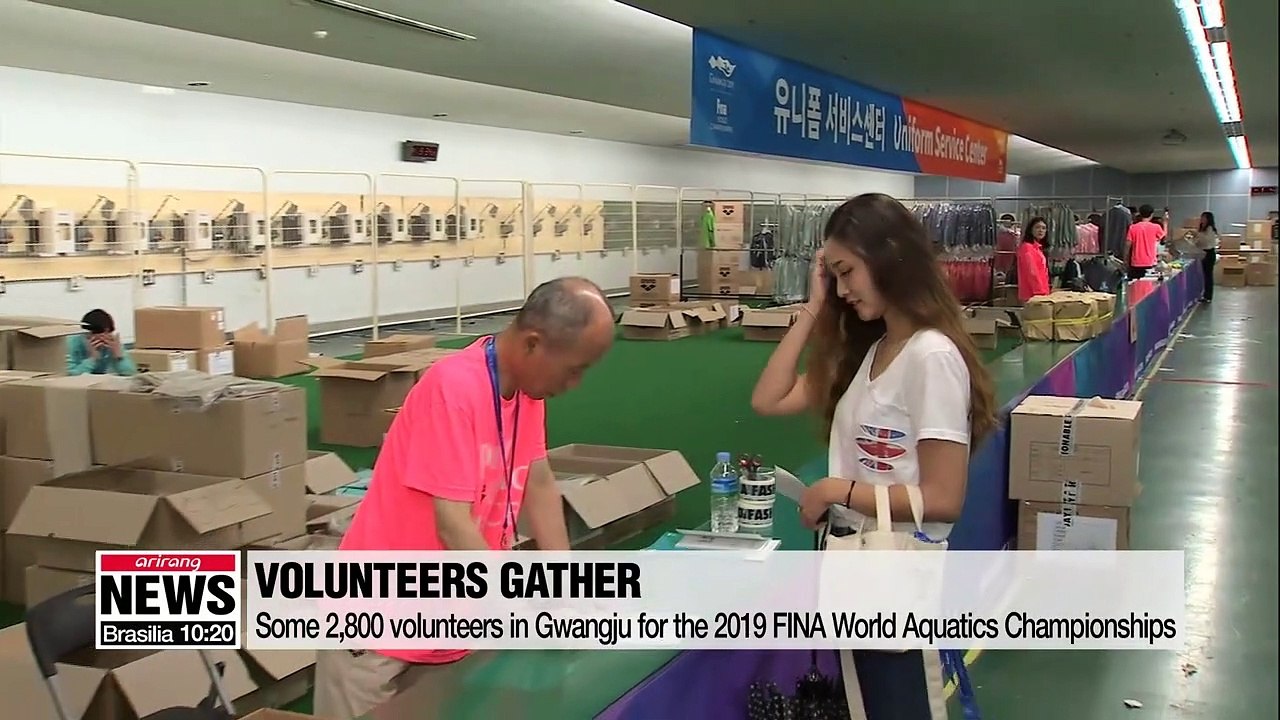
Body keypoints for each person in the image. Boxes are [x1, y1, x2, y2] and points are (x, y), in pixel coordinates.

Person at [314, 276, 616, 720]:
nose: (574, 384)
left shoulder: (526, 392)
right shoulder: (454, 388)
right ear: (533, 344)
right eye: (574, 369)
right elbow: (451, 523)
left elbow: (540, 483)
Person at [750, 193, 996, 719]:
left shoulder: (930, 357)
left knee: (899, 702)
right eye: (833, 275)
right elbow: (768, 398)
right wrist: (815, 307)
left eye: (847, 272)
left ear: (887, 257)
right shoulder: (873, 350)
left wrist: (841, 491)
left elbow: (944, 497)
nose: (841, 289)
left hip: (897, 572)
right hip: (859, 568)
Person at [67, 309, 136, 376]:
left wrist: (119, 357)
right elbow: (69, 377)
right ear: (87, 333)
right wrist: (92, 359)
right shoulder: (70, 344)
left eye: (108, 332)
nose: (105, 337)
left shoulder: (112, 342)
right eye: (101, 334)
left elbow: (131, 374)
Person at [1125, 204, 1165, 281]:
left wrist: (1125, 259)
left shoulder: (1133, 227)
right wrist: (1165, 222)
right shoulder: (1156, 227)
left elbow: (1127, 244)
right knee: (1149, 286)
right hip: (1150, 263)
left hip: (1135, 263)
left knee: (1135, 285)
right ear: (1152, 214)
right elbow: (1164, 238)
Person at [1016, 216, 1052, 303]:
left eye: (1044, 228)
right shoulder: (1027, 247)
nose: (1041, 230)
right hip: (1033, 293)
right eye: (1037, 227)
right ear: (1031, 230)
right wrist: (1039, 292)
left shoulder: (1038, 248)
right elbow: (1031, 271)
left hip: (1041, 292)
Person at [1194, 211, 1220, 303]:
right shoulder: (1202, 229)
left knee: (1208, 275)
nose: (1202, 220)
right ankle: (1204, 294)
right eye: (1201, 218)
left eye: (1204, 218)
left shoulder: (1210, 229)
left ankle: (1208, 296)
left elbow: (1206, 241)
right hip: (1202, 253)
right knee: (1204, 275)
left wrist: (1197, 237)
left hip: (1208, 253)